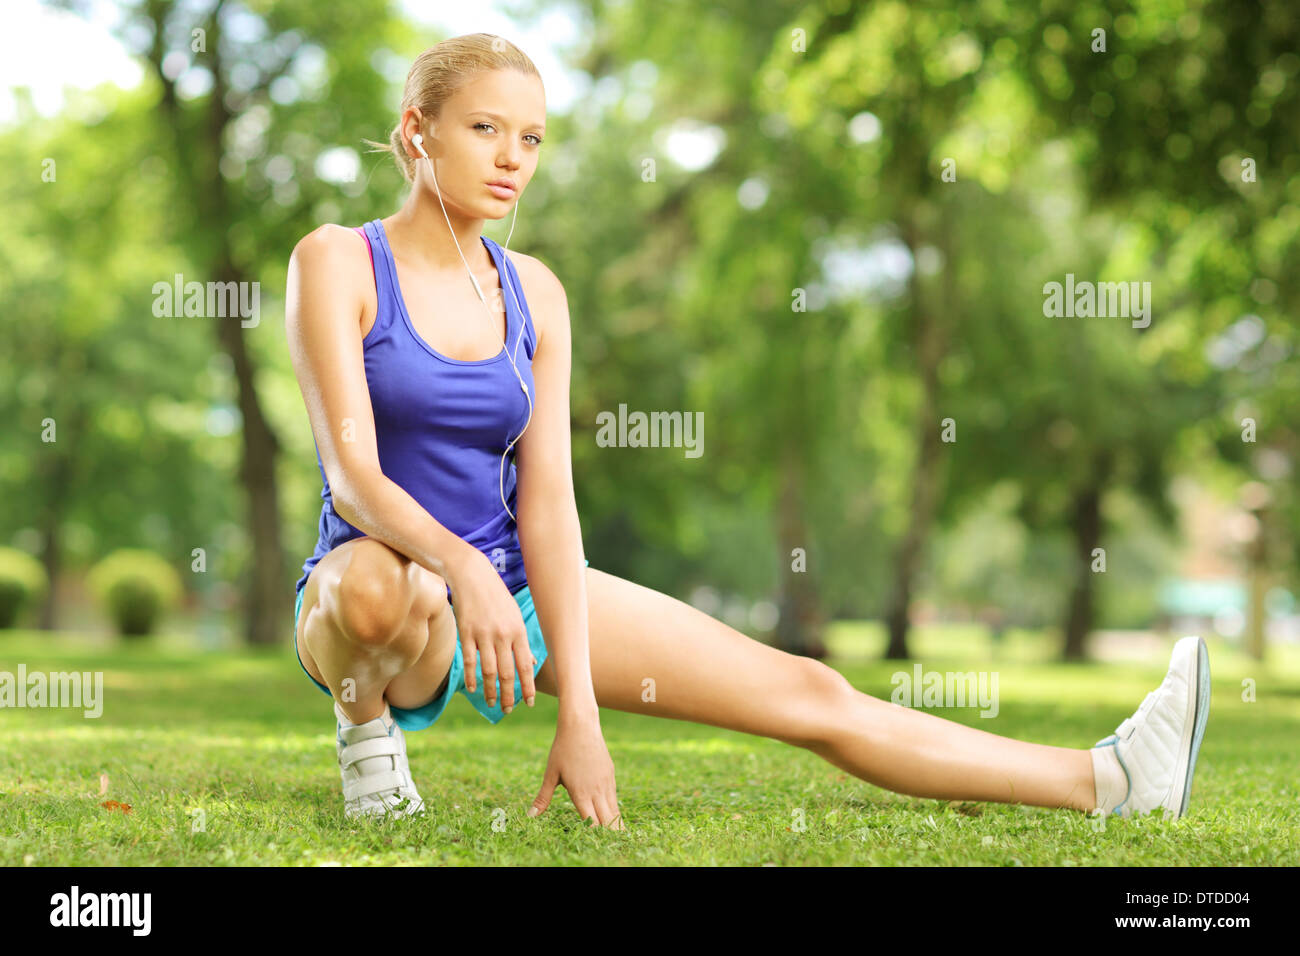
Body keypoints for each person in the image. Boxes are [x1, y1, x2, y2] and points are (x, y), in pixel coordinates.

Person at [284, 34, 1210, 830]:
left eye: (530, 138)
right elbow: (352, 476)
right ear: (418, 128)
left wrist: (583, 718)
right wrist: (462, 566)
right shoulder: (338, 260)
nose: (511, 157)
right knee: (373, 585)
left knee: (812, 695)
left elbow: (551, 506)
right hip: (383, 602)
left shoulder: (537, 292)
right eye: (484, 128)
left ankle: (1109, 780)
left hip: (513, 592)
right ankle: (367, 742)